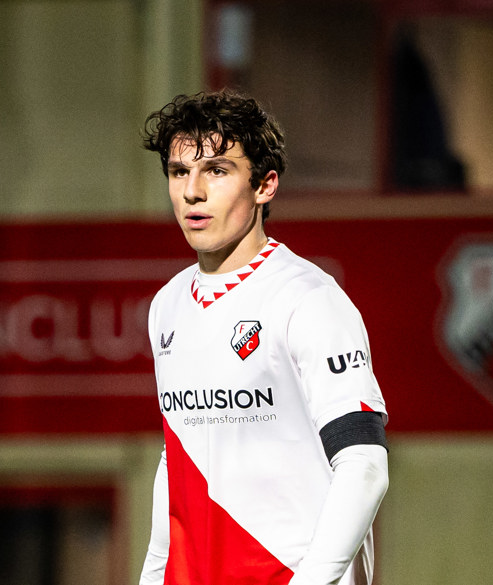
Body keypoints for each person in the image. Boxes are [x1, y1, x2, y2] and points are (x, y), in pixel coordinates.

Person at [136, 90, 389, 585]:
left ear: (265, 185)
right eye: (179, 172)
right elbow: (177, 460)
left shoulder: (309, 299)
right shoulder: (167, 306)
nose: (192, 192)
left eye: (216, 170)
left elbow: (364, 464)